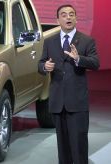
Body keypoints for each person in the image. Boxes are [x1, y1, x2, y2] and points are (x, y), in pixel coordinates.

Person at [38, 4, 100, 164]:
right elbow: (41, 63)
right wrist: (45, 66)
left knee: (79, 145)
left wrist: (78, 58)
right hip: (58, 101)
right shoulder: (49, 41)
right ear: (58, 19)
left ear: (76, 18)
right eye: (64, 15)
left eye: (72, 14)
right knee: (63, 147)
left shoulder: (87, 41)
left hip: (77, 102)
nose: (68, 17)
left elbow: (95, 63)